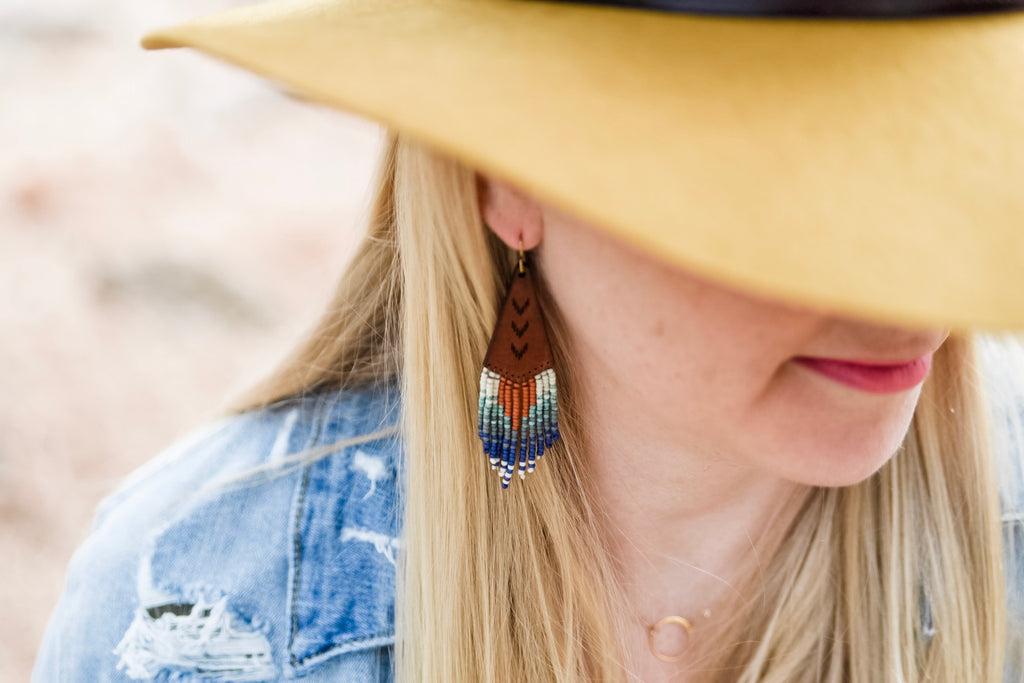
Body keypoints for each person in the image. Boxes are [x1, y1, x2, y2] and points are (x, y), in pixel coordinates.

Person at [33, 0, 1024, 681]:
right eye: (784, 191)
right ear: (506, 176)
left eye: (940, 167)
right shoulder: (204, 609)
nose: (905, 284)